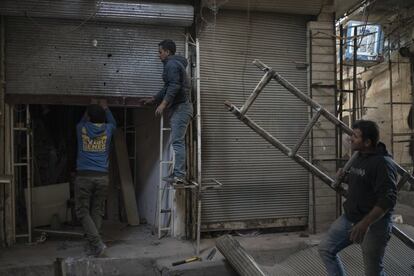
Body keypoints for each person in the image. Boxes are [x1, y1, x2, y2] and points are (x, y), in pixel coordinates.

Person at [318, 120, 397, 276]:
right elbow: (363, 180)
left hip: (374, 224)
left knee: (373, 271)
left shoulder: (383, 164)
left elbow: (387, 199)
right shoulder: (358, 155)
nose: (350, 138)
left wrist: (365, 223)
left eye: (355, 136)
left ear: (367, 142)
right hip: (350, 217)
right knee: (326, 249)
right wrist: (345, 177)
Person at [143, 39, 193, 184]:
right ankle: (178, 174)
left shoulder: (171, 64)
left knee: (177, 142)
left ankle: (179, 175)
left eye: (160, 52)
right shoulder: (174, 64)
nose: (159, 55)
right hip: (181, 107)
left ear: (167, 52)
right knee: (177, 141)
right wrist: (154, 99)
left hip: (181, 108)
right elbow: (167, 87)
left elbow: (174, 86)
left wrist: (163, 104)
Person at [75, 99, 116, 257]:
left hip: (84, 176)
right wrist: (106, 108)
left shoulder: (81, 128)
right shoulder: (109, 128)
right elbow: (113, 122)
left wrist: (89, 107)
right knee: (97, 211)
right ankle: (95, 246)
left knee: (82, 211)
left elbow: (82, 120)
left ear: (89, 117)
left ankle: (97, 244)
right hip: (102, 177)